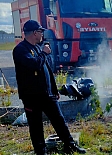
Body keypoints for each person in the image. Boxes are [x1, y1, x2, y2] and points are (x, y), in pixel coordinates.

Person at [12, 20, 86, 154]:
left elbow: (47, 71)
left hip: (47, 94)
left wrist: (54, 89)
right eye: (40, 32)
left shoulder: (37, 47)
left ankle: (70, 145)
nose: (42, 35)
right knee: (36, 126)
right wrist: (44, 53)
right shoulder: (20, 50)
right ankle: (41, 151)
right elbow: (34, 64)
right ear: (35, 33)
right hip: (31, 97)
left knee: (59, 120)